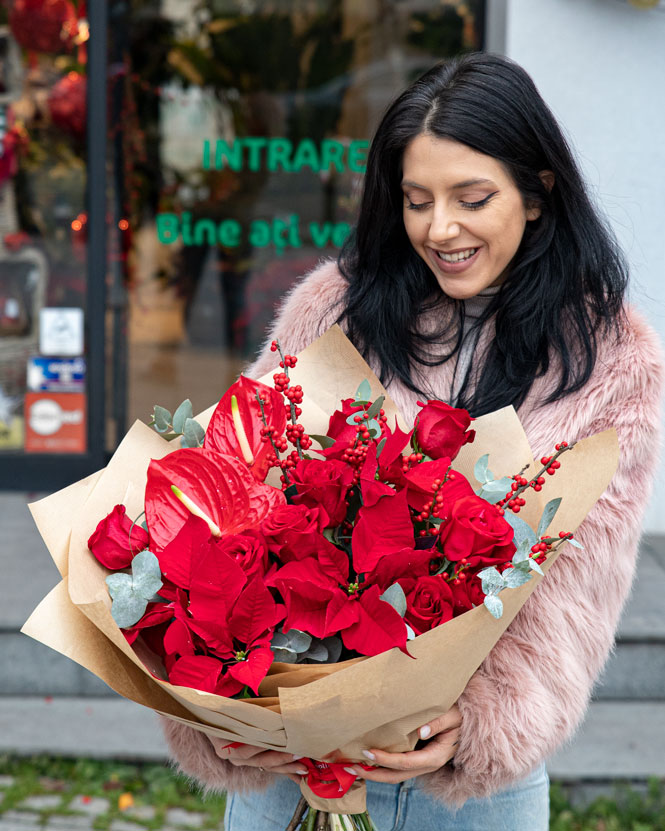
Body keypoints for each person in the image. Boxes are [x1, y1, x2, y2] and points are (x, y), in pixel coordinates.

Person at [159, 52, 664, 830]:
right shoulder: (335, 313)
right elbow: (232, 502)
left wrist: (487, 723)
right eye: (416, 200)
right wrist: (221, 712)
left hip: (466, 789)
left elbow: (579, 586)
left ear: (537, 192)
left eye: (471, 198)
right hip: (288, 768)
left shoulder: (609, 359)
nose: (440, 228)